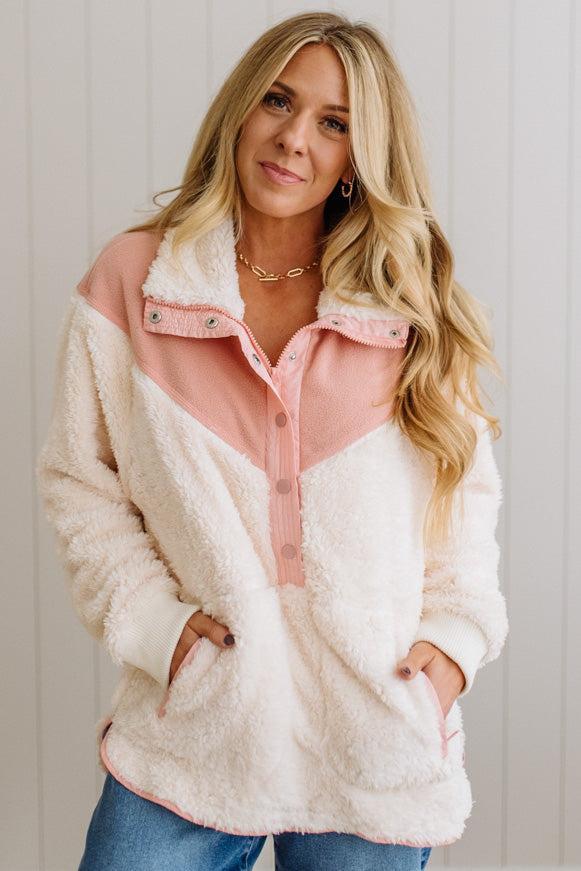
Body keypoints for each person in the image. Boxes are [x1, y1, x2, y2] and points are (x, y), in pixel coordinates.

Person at [36, 10, 509, 871]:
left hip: (373, 730)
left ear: (361, 152)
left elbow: (462, 493)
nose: (293, 139)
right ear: (240, 108)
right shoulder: (134, 281)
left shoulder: (409, 300)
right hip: (197, 726)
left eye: (333, 124)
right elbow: (79, 477)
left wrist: (454, 643)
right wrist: (151, 624)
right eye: (277, 102)